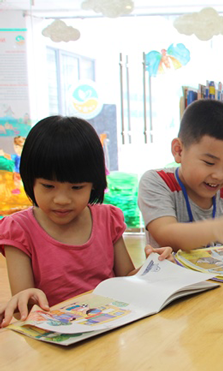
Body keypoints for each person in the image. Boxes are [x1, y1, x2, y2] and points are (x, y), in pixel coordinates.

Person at [0, 116, 172, 328]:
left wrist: (154, 266)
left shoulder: (107, 219)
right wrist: (26, 299)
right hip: (57, 335)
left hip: (110, 327)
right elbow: (22, 308)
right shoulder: (19, 229)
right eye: (48, 186)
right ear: (30, 180)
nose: (62, 199)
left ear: (94, 184)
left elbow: (127, 278)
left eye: (76, 187)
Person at [138, 99, 223, 252]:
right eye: (209, 163)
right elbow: (165, 233)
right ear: (179, 151)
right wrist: (215, 229)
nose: (219, 175)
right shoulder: (157, 182)